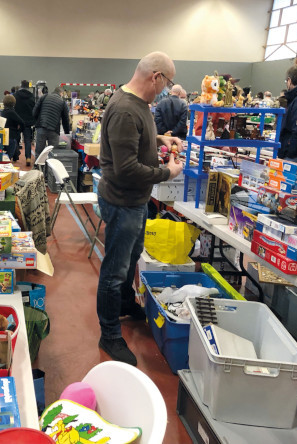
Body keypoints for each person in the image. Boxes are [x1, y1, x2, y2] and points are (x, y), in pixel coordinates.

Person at [97, 51, 184, 366]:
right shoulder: (125, 110)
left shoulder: (137, 105)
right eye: (167, 82)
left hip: (134, 201)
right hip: (122, 201)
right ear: (156, 77)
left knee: (131, 258)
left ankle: (124, 302)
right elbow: (126, 169)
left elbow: (133, 146)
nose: (165, 89)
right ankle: (109, 333)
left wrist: (158, 139)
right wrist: (167, 173)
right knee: (114, 269)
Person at [33, 86, 71, 159]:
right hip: (54, 130)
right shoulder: (62, 102)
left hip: (42, 127)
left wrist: (37, 122)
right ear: (61, 93)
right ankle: (50, 169)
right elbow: (65, 119)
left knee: (39, 151)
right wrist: (67, 133)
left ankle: (37, 166)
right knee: (53, 153)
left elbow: (34, 112)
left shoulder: (43, 97)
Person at [14, 80, 36, 166]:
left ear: (20, 85)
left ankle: (15, 156)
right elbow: (34, 109)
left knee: (16, 139)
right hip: (28, 122)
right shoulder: (32, 96)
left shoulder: (15, 95)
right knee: (27, 140)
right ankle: (28, 158)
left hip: (18, 122)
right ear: (28, 87)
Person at [0, 94, 24, 161]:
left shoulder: (3, 112)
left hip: (4, 135)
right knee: (8, 156)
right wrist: (19, 131)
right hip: (11, 135)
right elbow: (22, 122)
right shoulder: (12, 112)